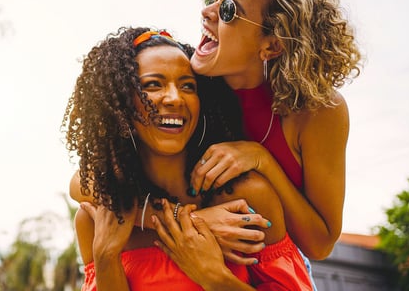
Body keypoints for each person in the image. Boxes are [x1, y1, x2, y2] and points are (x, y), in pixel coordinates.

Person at [62, 26, 312, 290]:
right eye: (153, 85)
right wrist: (105, 258)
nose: (174, 98)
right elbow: (83, 181)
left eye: (187, 86)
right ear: (120, 105)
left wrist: (215, 277)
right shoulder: (99, 217)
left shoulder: (245, 199)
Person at [187, 0, 362, 286]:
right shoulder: (178, 85)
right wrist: (196, 221)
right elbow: (86, 185)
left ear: (272, 44)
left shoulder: (317, 111)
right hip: (191, 252)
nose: (206, 12)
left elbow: (320, 243)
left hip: (280, 272)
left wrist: (262, 159)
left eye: (228, 11)